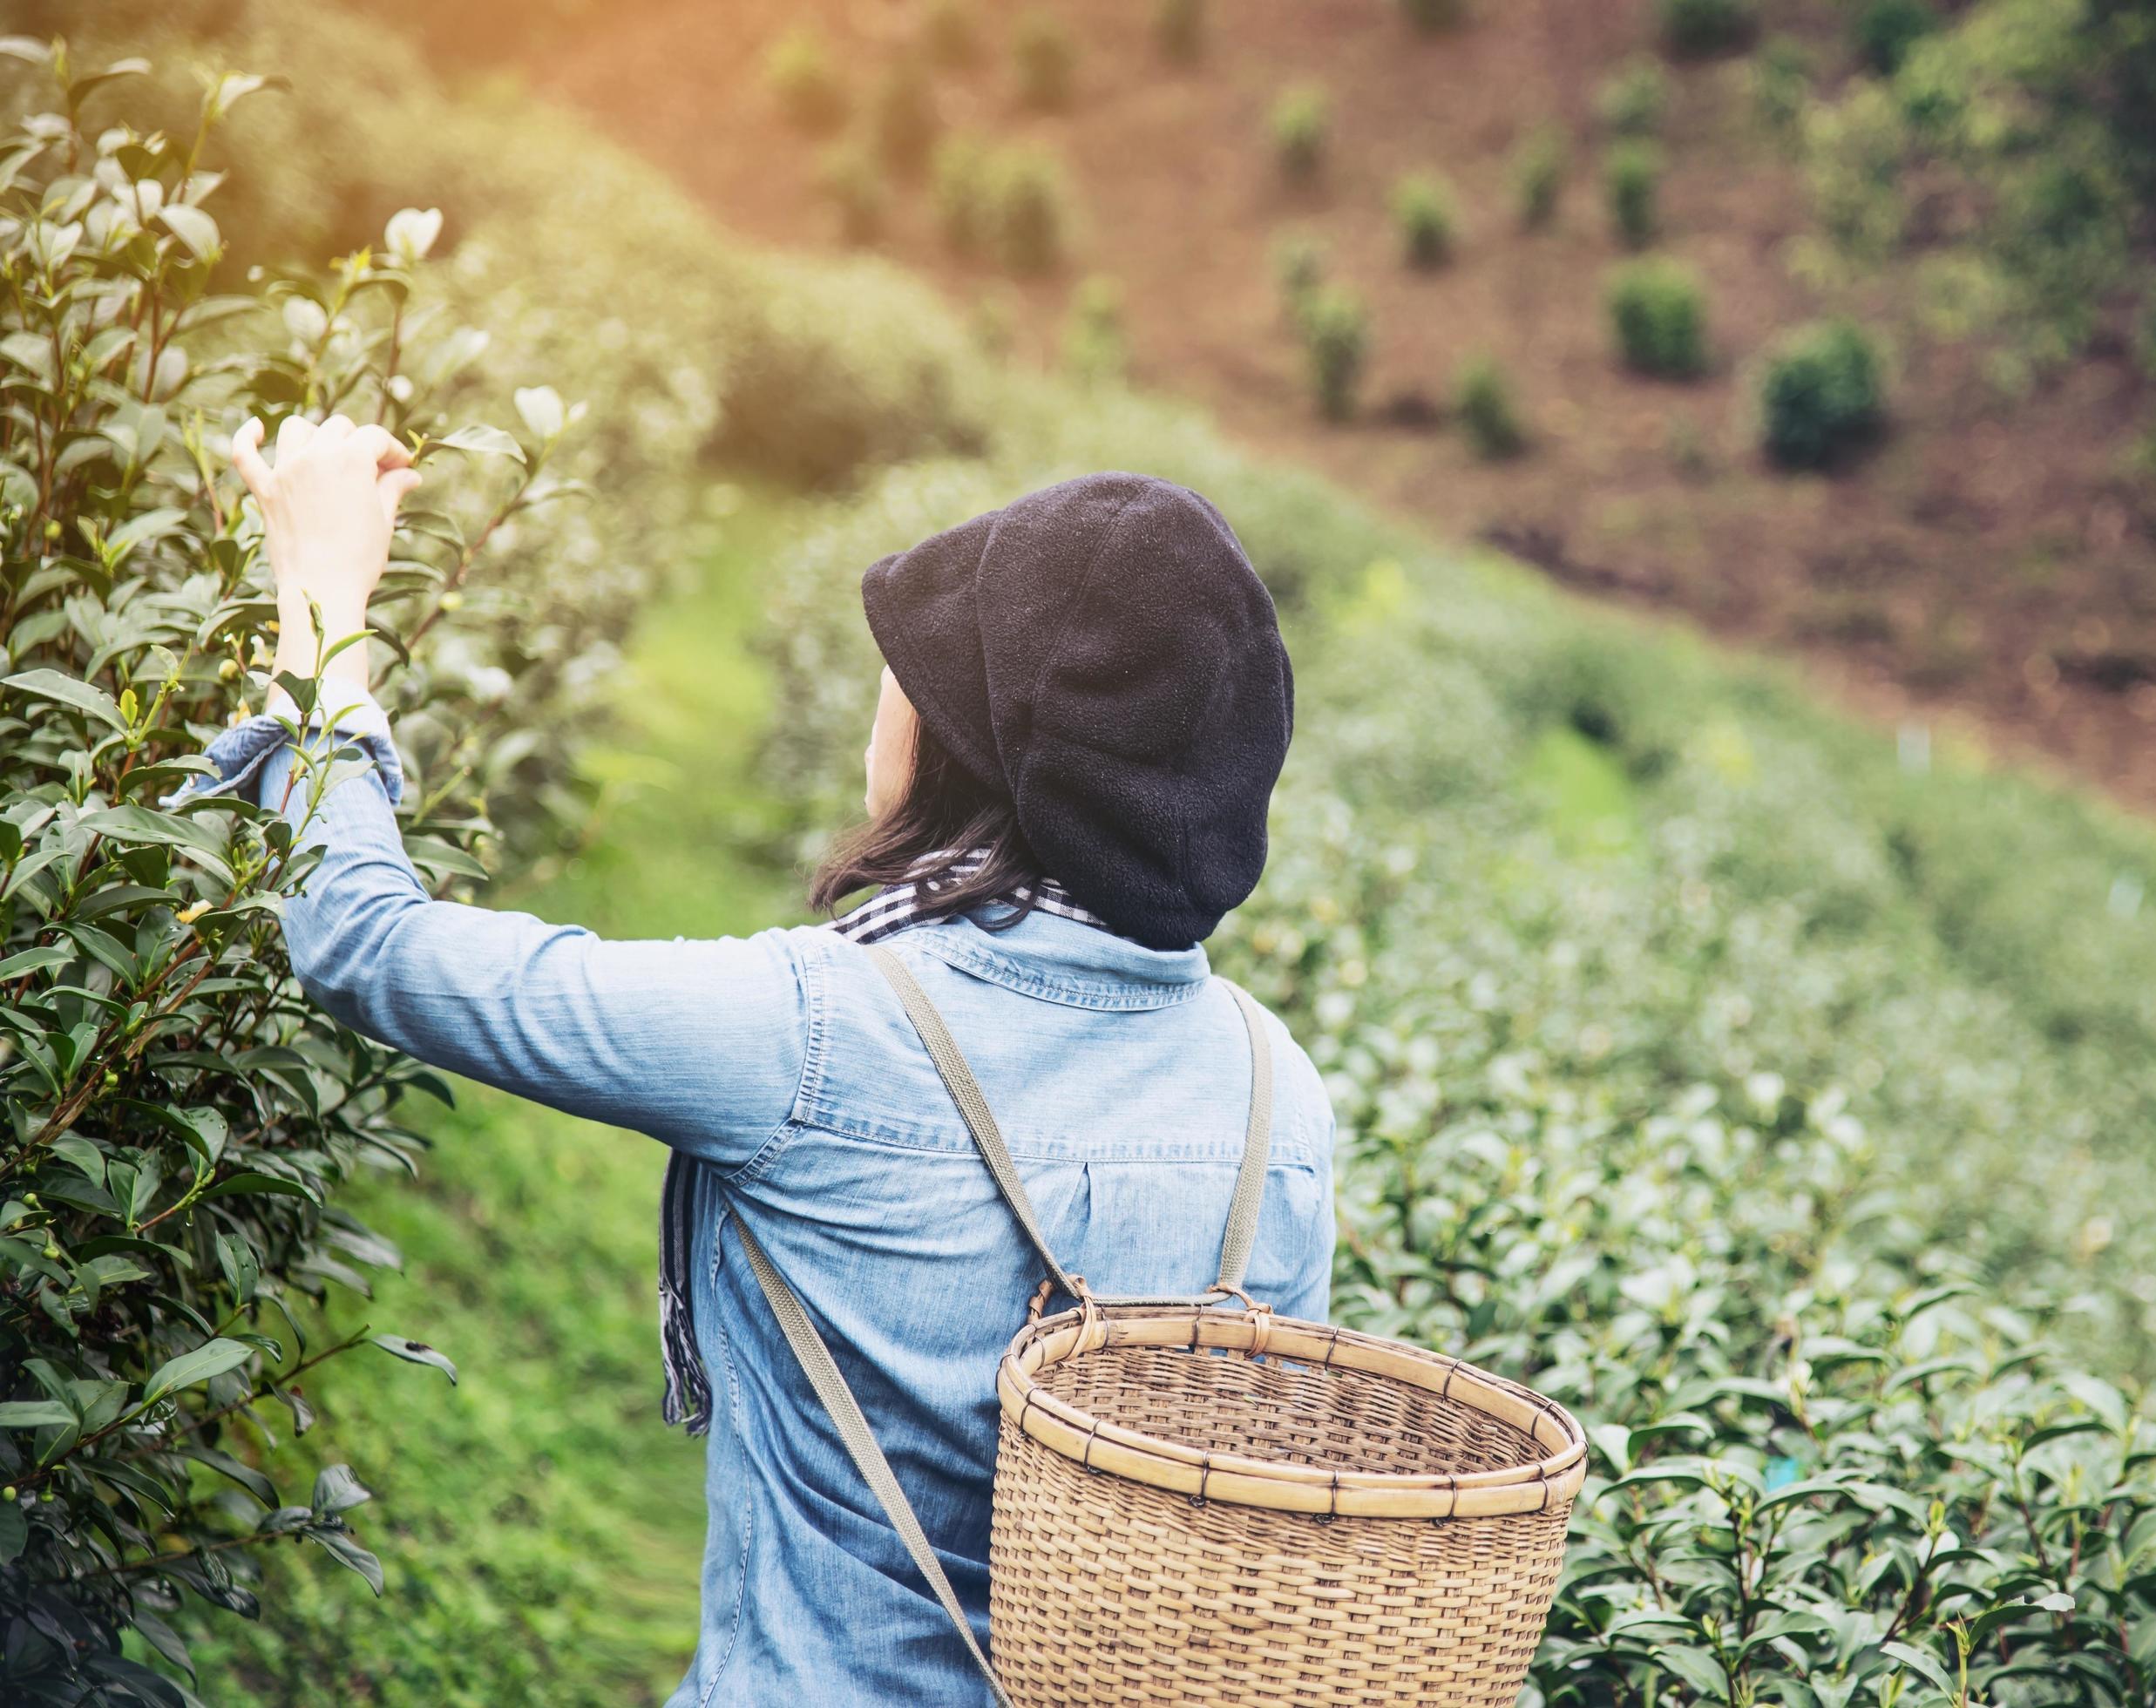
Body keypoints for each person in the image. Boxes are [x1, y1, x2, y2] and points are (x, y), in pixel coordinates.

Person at [217, 414, 1334, 1705]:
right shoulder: (1275, 1094)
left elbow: (363, 939)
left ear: (968, 745)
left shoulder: (816, 1035)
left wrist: (319, 606)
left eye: (915, 661)